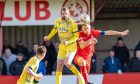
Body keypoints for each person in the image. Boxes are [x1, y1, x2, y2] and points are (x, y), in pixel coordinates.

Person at [74, 14, 129, 84]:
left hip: (88, 59)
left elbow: (108, 32)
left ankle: (85, 82)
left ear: (90, 27)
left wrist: (120, 33)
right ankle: (87, 82)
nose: (86, 30)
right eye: (84, 28)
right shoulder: (79, 34)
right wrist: (90, 40)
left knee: (82, 80)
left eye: (87, 28)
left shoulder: (93, 32)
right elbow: (82, 46)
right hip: (79, 57)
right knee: (82, 63)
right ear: (82, 29)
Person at [44, 7, 84, 84]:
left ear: (68, 14)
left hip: (71, 45)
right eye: (63, 13)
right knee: (59, 65)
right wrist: (48, 37)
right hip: (62, 45)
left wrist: (68, 42)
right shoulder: (57, 21)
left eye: (66, 13)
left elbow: (76, 36)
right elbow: (54, 30)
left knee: (67, 63)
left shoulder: (73, 23)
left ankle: (79, 76)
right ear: (61, 14)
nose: (64, 15)